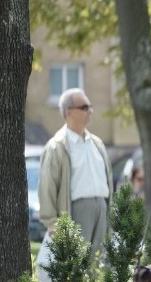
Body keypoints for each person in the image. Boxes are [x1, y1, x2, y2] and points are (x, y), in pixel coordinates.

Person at [38, 88, 113, 257]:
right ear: (69, 112)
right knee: (78, 264)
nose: (90, 111)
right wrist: (52, 223)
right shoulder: (57, 146)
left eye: (90, 106)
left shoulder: (97, 143)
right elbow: (47, 185)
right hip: (76, 211)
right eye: (85, 107)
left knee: (98, 265)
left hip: (101, 207)